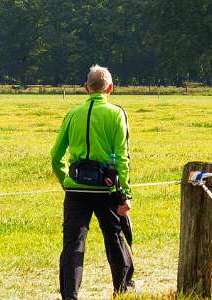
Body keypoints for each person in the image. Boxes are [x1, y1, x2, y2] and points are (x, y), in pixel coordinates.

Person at [51, 65, 135, 299]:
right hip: (106, 189)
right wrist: (125, 194)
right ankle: (122, 291)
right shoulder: (116, 114)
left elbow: (55, 156)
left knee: (73, 245)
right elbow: (122, 157)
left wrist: (66, 181)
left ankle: (70, 295)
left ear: (86, 88)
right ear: (111, 88)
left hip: (76, 190)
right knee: (115, 238)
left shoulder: (72, 114)